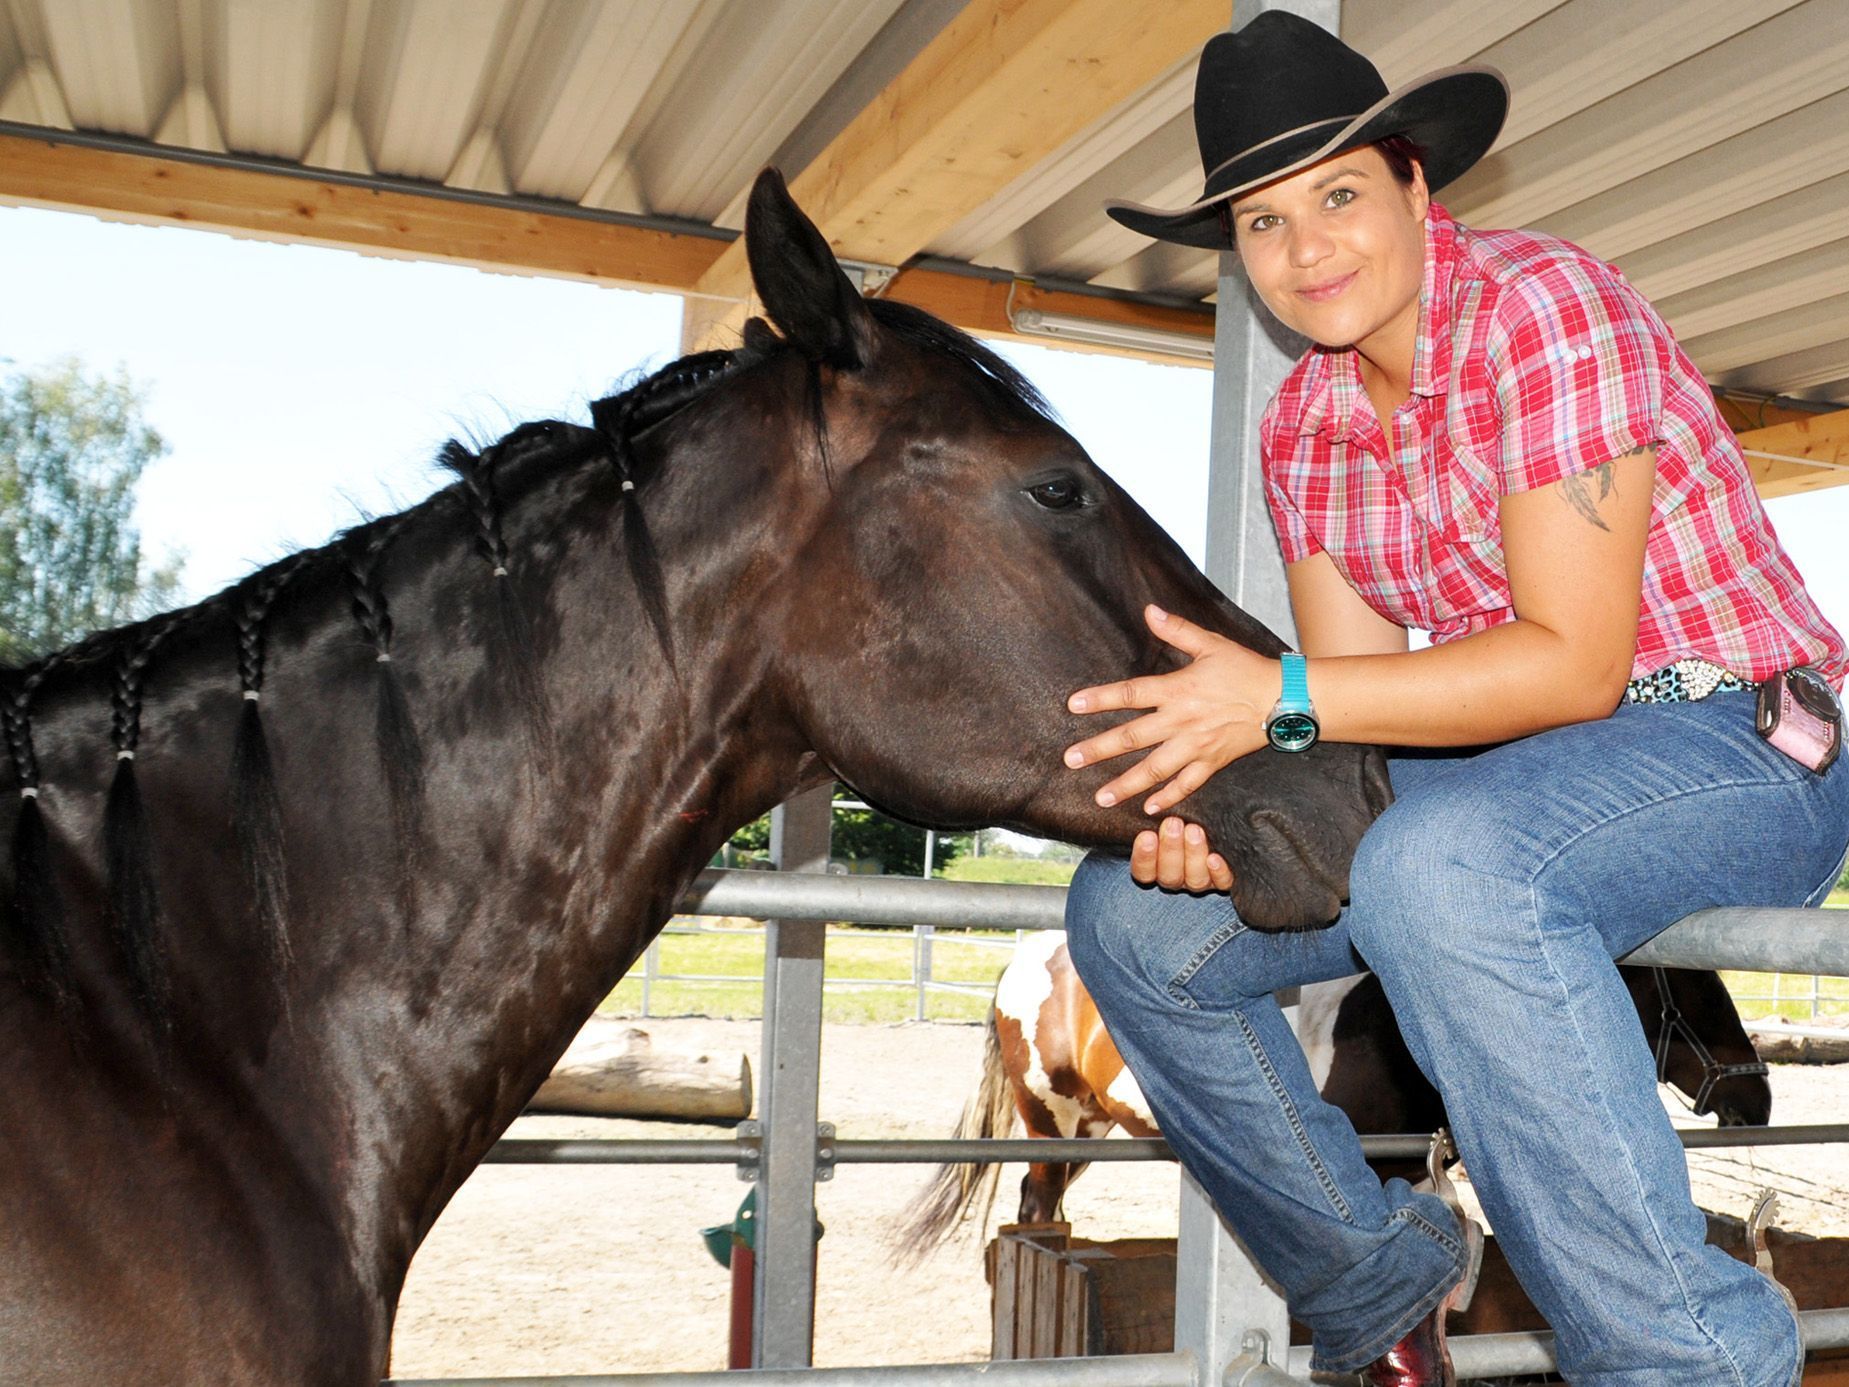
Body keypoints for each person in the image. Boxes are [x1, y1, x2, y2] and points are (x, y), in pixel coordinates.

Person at [1057, 12, 1849, 1387]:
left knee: (1441, 871)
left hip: (1742, 735)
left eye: (1339, 195)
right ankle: (1373, 1285)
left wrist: (1274, 701)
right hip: (1513, 771)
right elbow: (1342, 719)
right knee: (1128, 920)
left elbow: (1569, 664)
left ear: (1419, 185)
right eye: (1260, 222)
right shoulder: (1302, 420)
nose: (1304, 252)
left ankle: (1686, 1363)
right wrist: (1234, 812)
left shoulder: (1545, 305)